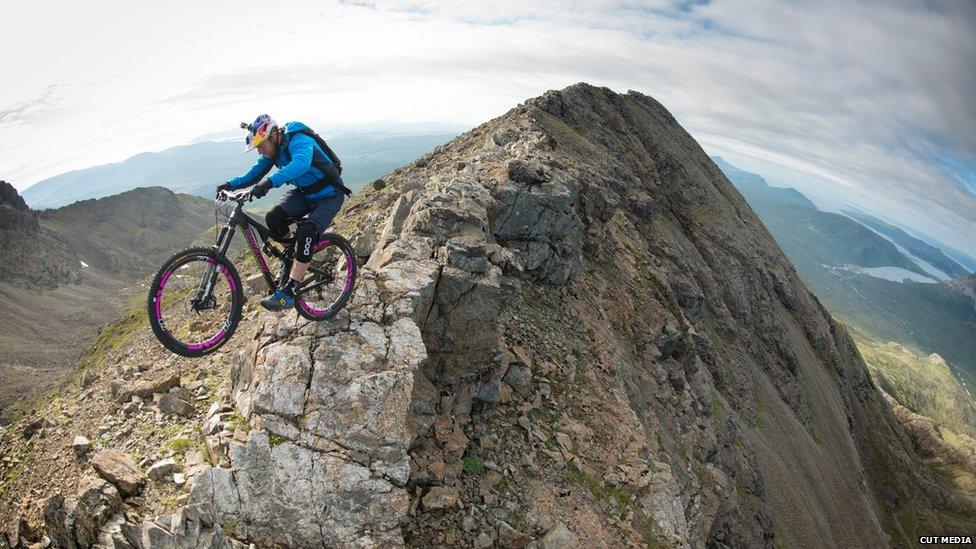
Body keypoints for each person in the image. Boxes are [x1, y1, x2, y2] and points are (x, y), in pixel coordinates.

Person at [217, 114, 346, 311]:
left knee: (307, 233)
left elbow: (301, 164)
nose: (260, 150)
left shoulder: (299, 140)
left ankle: (290, 292)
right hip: (305, 193)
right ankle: (290, 257)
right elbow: (255, 173)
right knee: (273, 218)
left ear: (274, 136)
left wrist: (269, 183)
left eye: (261, 145)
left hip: (330, 195)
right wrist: (231, 184)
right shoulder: (272, 152)